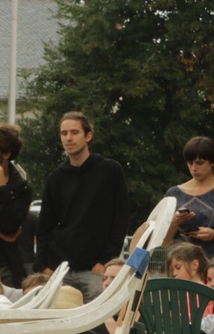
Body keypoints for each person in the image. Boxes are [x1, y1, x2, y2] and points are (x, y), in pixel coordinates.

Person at [35, 112, 129, 301]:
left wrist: (105, 262)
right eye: (64, 133)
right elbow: (44, 226)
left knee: (100, 317)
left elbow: (120, 220)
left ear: (88, 136)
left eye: (74, 132)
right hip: (59, 269)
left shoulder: (110, 170)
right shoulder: (55, 178)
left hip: (95, 269)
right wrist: (43, 266)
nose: (68, 138)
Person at [163, 136, 214, 253]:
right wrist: (174, 222)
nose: (194, 168)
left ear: (212, 162)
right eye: (190, 163)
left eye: (200, 163)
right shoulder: (173, 193)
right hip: (180, 261)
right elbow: (163, 243)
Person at [0, 123, 35, 286]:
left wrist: (2, 189)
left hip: (5, 265)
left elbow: (10, 226)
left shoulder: (22, 188)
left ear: (6, 153)